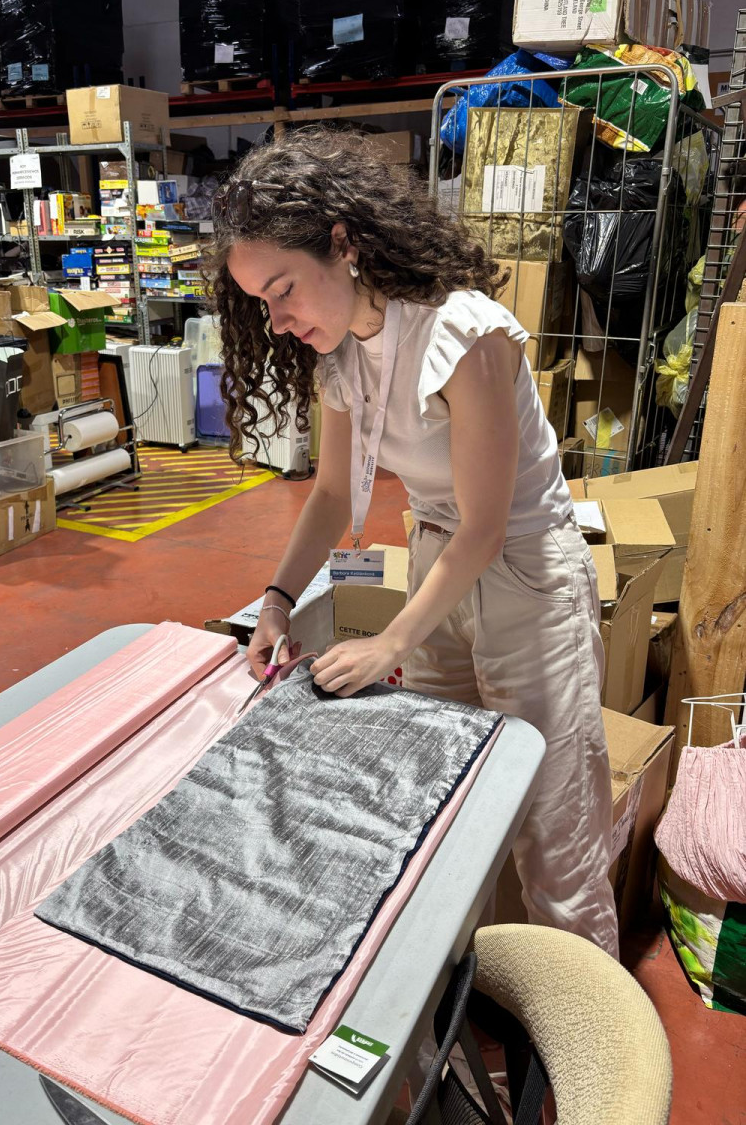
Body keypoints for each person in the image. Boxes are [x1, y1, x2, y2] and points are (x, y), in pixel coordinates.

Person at [208, 125, 619, 959]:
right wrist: (276, 602)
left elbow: (487, 527)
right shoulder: (340, 355)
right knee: (442, 801)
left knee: (556, 836)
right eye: (260, 303)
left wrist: (390, 642)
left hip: (525, 578)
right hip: (439, 564)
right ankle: (458, 994)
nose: (277, 321)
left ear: (343, 245)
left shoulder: (464, 334)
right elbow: (330, 493)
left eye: (283, 290)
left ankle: (586, 1019)